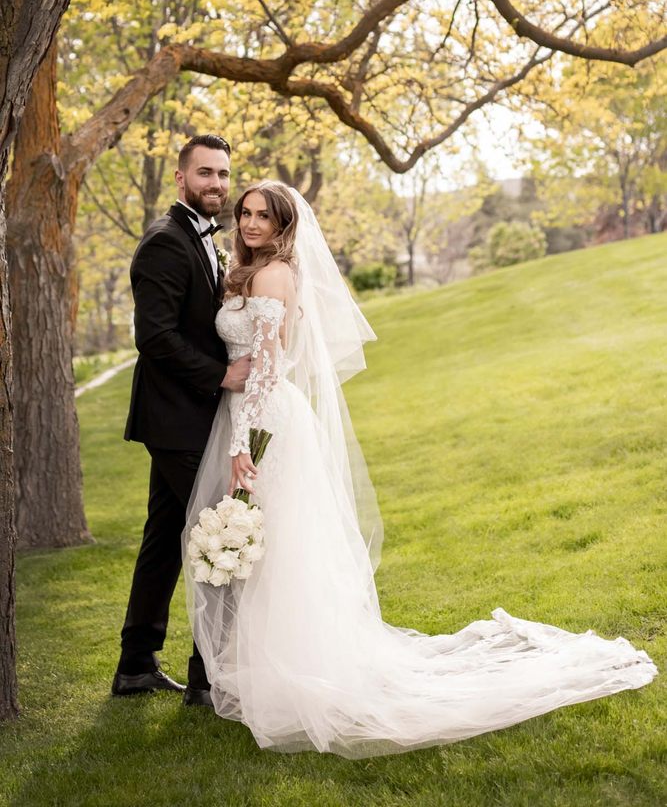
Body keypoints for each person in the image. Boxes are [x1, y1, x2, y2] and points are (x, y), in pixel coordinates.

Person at [183, 180, 657, 758]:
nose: (252, 223)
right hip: (245, 414)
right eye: (246, 213)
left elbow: (266, 367)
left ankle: (299, 677)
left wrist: (241, 444)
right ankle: (272, 670)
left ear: (284, 228)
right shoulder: (246, 271)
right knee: (270, 546)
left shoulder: (275, 275)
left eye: (264, 216)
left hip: (263, 421)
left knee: (282, 548)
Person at [112, 135, 250, 706]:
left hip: (188, 419)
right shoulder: (166, 244)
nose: (216, 184)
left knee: (165, 539)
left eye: (222, 173)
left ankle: (136, 665)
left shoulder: (202, 239)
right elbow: (155, 338)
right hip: (178, 420)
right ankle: (206, 676)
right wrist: (220, 376)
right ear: (180, 177)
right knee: (217, 540)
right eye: (204, 173)